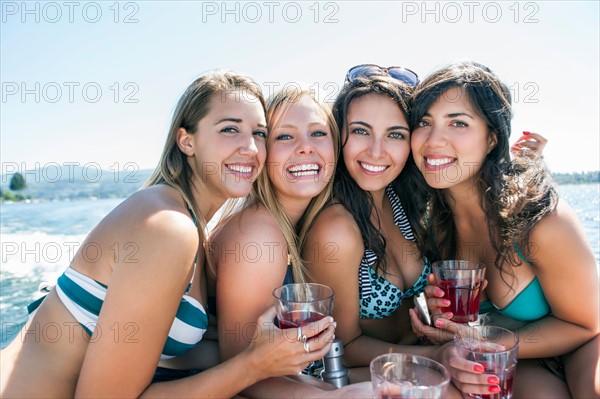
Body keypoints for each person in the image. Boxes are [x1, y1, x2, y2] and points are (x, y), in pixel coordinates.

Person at [0, 72, 338, 398]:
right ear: (187, 141)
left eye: (259, 133)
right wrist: (254, 365)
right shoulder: (169, 227)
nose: (250, 147)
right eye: (230, 129)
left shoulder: (190, 224)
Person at [303, 66, 505, 397]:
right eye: (360, 131)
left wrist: (436, 316)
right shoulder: (336, 228)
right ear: (339, 135)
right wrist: (437, 357)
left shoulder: (405, 203)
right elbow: (341, 345)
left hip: (409, 357)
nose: (377, 151)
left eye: (395, 134)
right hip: (342, 374)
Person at [408, 61, 599, 398]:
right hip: (516, 355)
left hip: (581, 340)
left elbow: (586, 324)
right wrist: (443, 321)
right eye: (424, 122)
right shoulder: (434, 227)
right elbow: (467, 330)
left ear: (492, 137)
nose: (434, 139)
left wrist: (488, 341)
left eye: (458, 123)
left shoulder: (541, 220)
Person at [209, 85, 373, 397]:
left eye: (318, 133)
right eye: (285, 136)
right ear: (263, 152)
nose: (305, 148)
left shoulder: (308, 223)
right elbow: (242, 371)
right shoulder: (258, 233)